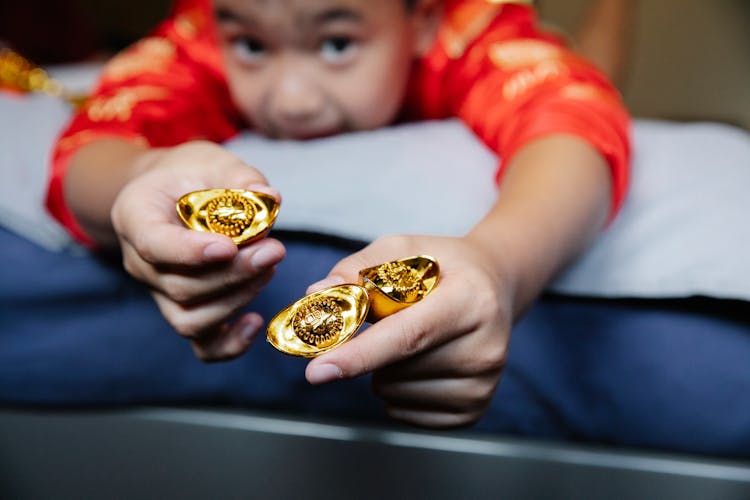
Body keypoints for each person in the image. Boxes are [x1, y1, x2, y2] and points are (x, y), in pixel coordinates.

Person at [45, 0, 630, 429]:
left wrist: (502, 264)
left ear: (422, 22)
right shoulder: (202, 29)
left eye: (337, 43)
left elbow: (573, 119)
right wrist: (136, 181)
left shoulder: (469, 27)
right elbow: (96, 141)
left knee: (593, 64)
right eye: (251, 45)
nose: (292, 99)